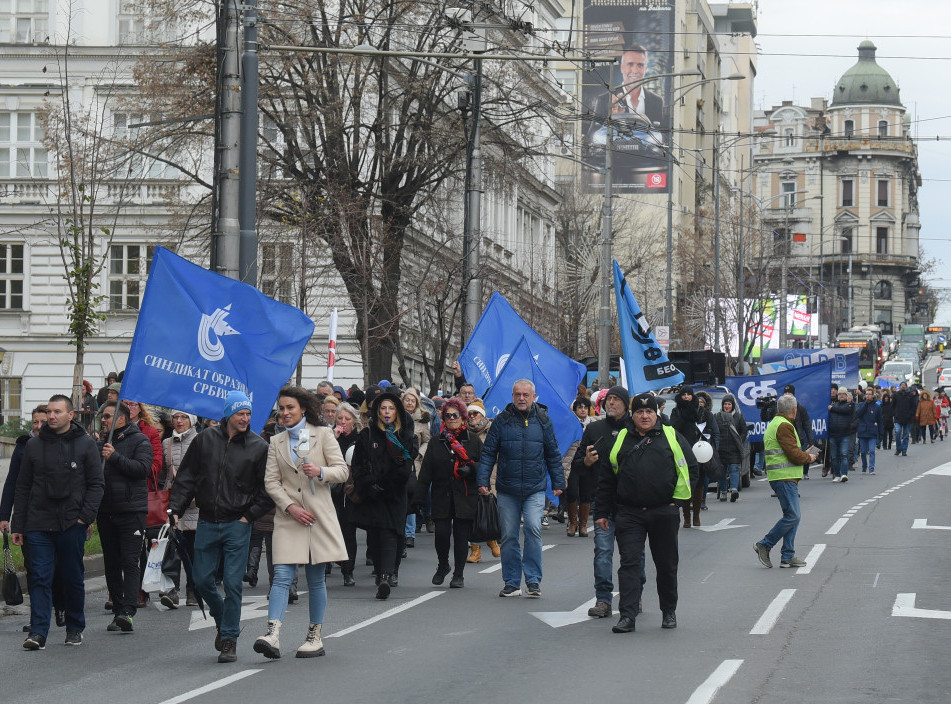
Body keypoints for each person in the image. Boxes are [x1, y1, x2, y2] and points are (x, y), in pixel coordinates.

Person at [169, 391, 273, 663]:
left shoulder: (258, 446)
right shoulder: (205, 440)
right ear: (228, 414)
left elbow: (267, 489)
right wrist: (175, 509)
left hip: (237, 524)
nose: (245, 418)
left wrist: (248, 517)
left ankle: (229, 639)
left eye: (248, 414)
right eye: (240, 413)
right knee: (202, 581)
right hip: (207, 521)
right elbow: (187, 477)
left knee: (232, 583)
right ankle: (221, 616)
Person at [253, 387, 349, 660]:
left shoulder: (323, 434)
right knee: (282, 576)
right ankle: (272, 634)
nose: (284, 413)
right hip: (289, 516)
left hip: (317, 516)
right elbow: (271, 482)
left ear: (303, 409)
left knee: (316, 578)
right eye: (281, 409)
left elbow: (342, 471)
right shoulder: (276, 441)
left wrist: (320, 471)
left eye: (290, 408)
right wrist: (290, 507)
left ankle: (314, 636)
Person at [595, 393, 697, 633]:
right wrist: (601, 511)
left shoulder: (672, 436)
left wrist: (677, 503)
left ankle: (668, 611)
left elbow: (690, 469)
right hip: (629, 513)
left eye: (649, 412)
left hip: (664, 511)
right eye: (639, 412)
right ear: (632, 414)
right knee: (629, 565)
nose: (644, 416)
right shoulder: (621, 438)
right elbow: (607, 477)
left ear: (656, 414)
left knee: (666, 564)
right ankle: (627, 616)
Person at [12, 395, 104, 650]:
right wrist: (18, 525)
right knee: (40, 577)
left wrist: (84, 517)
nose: (51, 416)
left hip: (71, 523)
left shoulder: (85, 444)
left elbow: (97, 485)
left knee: (71, 576)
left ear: (70, 415)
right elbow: (23, 486)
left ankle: (75, 627)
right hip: (38, 522)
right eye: (49, 412)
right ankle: (38, 632)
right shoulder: (33, 445)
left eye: (57, 412)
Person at [476, 379, 564, 598]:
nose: (521, 398)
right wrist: (483, 480)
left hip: (534, 488)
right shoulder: (501, 421)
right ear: (512, 396)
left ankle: (533, 580)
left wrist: (559, 482)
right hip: (507, 488)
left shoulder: (543, 421)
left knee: (533, 528)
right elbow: (488, 453)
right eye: (517, 394)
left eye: (526, 395)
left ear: (534, 397)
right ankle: (512, 582)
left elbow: (552, 453)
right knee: (508, 536)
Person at [349, 390, 418, 600]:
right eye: (383, 408)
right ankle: (381, 573)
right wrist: (369, 485)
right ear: (377, 412)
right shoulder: (367, 435)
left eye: (391, 408)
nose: (387, 412)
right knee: (376, 535)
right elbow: (358, 465)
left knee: (391, 533)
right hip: (372, 495)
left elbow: (404, 467)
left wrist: (386, 486)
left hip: (395, 494)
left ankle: (388, 575)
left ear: (397, 412)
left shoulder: (404, 435)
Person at [571, 386, 631, 620]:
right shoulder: (595, 429)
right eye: (609, 400)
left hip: (631, 503)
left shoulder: (635, 428)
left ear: (626, 404)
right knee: (603, 552)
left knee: (632, 555)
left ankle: (632, 596)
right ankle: (603, 599)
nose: (611, 403)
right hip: (603, 502)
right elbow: (578, 464)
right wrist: (585, 461)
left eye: (617, 400)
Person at [0, 405, 61, 632]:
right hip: (28, 517)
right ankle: (37, 618)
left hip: (56, 518)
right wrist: (4, 515)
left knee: (57, 568)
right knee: (34, 569)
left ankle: (61, 606)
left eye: (42, 422)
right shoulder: (23, 447)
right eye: (35, 422)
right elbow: (13, 483)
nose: (38, 427)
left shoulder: (64, 444)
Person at [414, 398, 481, 589]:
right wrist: (418, 498)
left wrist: (472, 469)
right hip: (442, 494)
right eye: (448, 415)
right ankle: (443, 564)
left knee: (461, 536)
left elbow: (485, 464)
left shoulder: (473, 440)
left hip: (465, 494)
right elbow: (426, 471)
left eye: (455, 415)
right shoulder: (437, 442)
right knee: (441, 534)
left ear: (463, 418)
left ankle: (458, 574)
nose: (451, 418)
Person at [97, 400, 152, 632]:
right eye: (103, 416)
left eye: (107, 416)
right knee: (111, 563)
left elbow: (142, 470)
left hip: (131, 512)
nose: (103, 420)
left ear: (121, 419)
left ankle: (129, 611)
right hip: (105, 511)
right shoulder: (100, 443)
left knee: (130, 562)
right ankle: (118, 609)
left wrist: (115, 457)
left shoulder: (140, 440)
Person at [754, 395, 819, 569]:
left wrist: (803, 452)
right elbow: (793, 454)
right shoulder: (784, 425)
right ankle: (765, 544)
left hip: (782, 476)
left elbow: (789, 451)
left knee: (792, 517)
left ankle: (788, 556)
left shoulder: (777, 423)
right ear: (794, 410)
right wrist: (808, 457)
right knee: (793, 516)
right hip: (784, 476)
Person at [160, 410, 199, 608]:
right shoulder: (166, 443)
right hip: (172, 504)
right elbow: (163, 474)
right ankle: (171, 590)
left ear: (192, 420)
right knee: (171, 548)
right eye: (176, 417)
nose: (179, 421)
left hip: (194, 506)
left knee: (192, 551)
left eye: (184, 417)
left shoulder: (201, 441)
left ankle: (193, 591)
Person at [669, 386, 718, 527]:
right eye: (683, 394)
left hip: (700, 451)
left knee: (699, 484)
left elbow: (712, 430)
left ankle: (696, 515)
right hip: (683, 451)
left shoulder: (702, 411)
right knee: (686, 483)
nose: (686, 397)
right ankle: (686, 517)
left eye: (688, 394)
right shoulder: (676, 411)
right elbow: (673, 427)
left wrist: (713, 448)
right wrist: (684, 416)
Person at [331, 402, 362, 585]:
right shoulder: (330, 437)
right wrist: (333, 438)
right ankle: (328, 561)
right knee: (331, 530)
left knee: (348, 531)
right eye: (340, 418)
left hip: (350, 492)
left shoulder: (360, 439)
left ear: (354, 421)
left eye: (347, 419)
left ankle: (348, 571)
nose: (343, 422)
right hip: (332, 490)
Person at [465, 401, 500, 562]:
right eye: (469, 413)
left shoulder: (492, 430)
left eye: (475, 413)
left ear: (483, 415)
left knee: (487, 513)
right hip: (469, 477)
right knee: (471, 516)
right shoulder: (463, 432)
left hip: (489, 477)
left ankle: (493, 544)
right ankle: (475, 551)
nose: (472, 417)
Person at [401, 387, 431, 547]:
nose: (410, 403)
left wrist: (420, 452)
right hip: (399, 461)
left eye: (413, 400)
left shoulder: (422, 420)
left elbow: (427, 440)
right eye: (407, 400)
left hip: (415, 462)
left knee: (410, 496)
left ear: (417, 403)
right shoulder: (397, 418)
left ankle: (410, 533)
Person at [563, 397, 594, 536]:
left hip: (588, 463)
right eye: (580, 407)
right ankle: (572, 523)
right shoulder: (569, 423)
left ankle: (583, 525)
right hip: (573, 463)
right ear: (574, 410)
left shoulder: (593, 424)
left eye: (585, 408)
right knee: (572, 493)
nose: (583, 410)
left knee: (586, 494)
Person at [714, 395, 748, 502]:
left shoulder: (738, 417)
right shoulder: (717, 416)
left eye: (729, 404)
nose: (727, 406)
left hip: (734, 449)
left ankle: (734, 490)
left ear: (732, 405)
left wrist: (739, 441)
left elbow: (744, 431)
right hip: (721, 449)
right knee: (722, 471)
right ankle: (723, 491)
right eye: (725, 404)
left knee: (734, 468)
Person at [827, 388, 855, 482]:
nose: (841, 395)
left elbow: (844, 410)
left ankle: (844, 474)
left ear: (847, 396)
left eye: (843, 394)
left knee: (844, 454)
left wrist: (832, 408)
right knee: (834, 457)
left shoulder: (849, 405)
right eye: (840, 394)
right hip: (833, 434)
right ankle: (837, 475)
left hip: (844, 435)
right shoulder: (834, 406)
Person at [855, 388, 882, 475]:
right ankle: (864, 466)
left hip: (872, 432)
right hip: (863, 431)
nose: (868, 396)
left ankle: (871, 468)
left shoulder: (877, 407)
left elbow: (880, 420)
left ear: (873, 396)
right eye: (866, 394)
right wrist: (865, 405)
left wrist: (881, 433)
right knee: (863, 452)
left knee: (871, 451)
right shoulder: (861, 404)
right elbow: (858, 414)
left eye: (869, 394)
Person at [892, 381, 917, 457]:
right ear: (899, 386)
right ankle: (898, 448)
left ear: (906, 386)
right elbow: (892, 406)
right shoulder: (895, 395)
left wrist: (911, 415)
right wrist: (894, 414)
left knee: (906, 435)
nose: (903, 386)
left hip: (907, 418)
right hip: (898, 418)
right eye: (902, 385)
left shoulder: (910, 395)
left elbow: (913, 407)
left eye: (904, 385)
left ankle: (904, 450)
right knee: (898, 432)